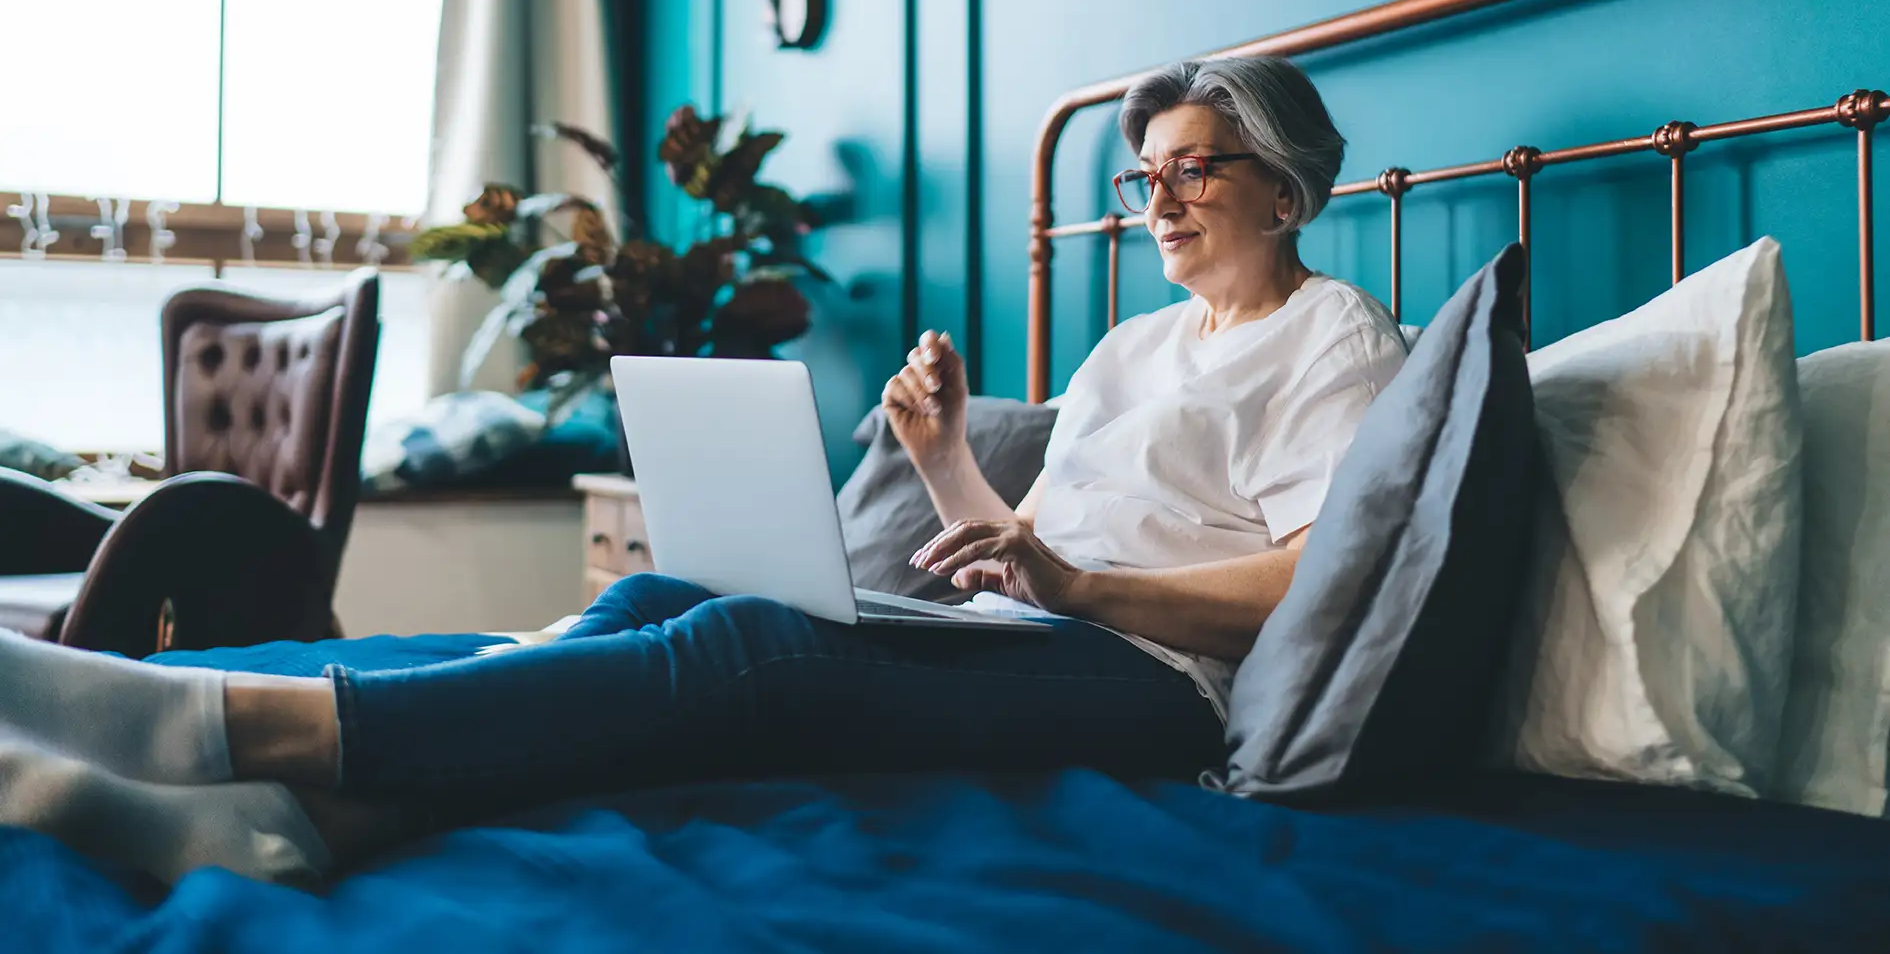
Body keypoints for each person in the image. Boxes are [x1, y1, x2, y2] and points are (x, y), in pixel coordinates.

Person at [0, 55, 1408, 882]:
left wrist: (1084, 588)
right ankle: (302, 826)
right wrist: (938, 464)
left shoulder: (1331, 337)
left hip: (1157, 692)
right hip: (1036, 633)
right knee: (655, 599)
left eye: (1191, 170)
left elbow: (1310, 583)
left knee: (752, 655)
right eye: (1140, 176)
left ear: (1284, 188)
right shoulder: (1129, 348)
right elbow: (1013, 554)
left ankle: (240, 729)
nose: (1153, 199)